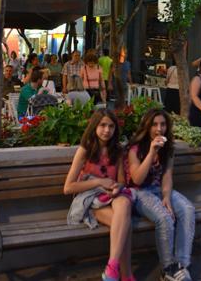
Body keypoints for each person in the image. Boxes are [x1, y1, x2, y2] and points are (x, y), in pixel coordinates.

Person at [64, 109, 134, 281]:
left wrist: (117, 187)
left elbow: (121, 181)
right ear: (94, 126)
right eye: (102, 125)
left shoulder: (116, 150)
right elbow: (68, 188)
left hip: (111, 196)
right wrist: (99, 182)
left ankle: (112, 268)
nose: (107, 130)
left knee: (124, 204)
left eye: (111, 126)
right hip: (91, 200)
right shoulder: (85, 150)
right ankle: (126, 275)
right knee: (125, 225)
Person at [127, 109, 195, 281]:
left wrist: (166, 197)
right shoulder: (135, 149)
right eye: (154, 124)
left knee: (187, 209)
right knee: (164, 218)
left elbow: (167, 175)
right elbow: (137, 178)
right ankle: (167, 269)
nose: (159, 129)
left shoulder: (168, 148)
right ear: (147, 126)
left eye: (163, 124)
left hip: (158, 190)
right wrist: (151, 152)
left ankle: (180, 265)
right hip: (139, 192)